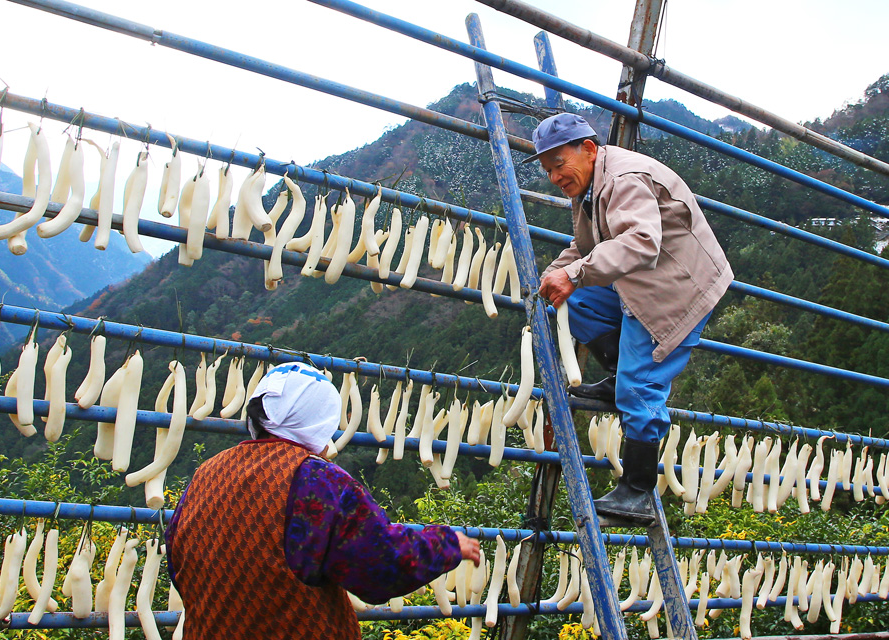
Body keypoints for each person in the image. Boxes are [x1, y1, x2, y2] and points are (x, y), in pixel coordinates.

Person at [165, 361, 482, 639]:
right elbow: (379, 564)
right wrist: (447, 543)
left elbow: (178, 564)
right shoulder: (315, 480)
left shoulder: (206, 473)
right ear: (318, 422)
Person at [530, 113, 733, 527]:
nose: (554, 177)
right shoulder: (590, 184)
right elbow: (585, 246)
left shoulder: (622, 178)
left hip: (675, 287)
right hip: (643, 279)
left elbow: (641, 242)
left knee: (640, 385)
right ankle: (622, 376)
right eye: (547, 170)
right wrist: (556, 273)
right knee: (578, 302)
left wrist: (572, 274)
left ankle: (638, 490)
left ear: (588, 149)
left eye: (558, 165)